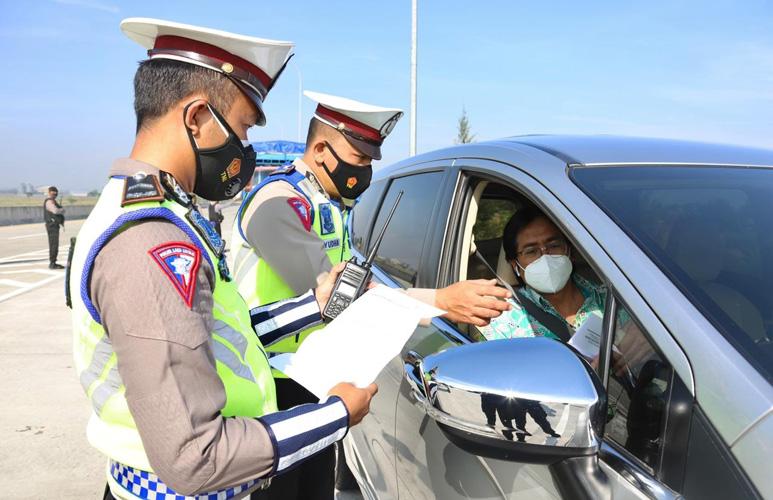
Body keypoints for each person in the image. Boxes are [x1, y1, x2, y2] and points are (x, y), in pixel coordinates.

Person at [68, 18, 378, 499]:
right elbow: (196, 457)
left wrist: (314, 305)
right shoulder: (150, 241)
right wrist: (336, 414)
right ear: (195, 117)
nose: (245, 149)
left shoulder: (167, 211)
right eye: (241, 128)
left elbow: (214, 334)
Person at [232, 91, 512, 500]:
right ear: (323, 150)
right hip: (272, 385)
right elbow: (342, 299)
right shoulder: (279, 202)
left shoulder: (327, 203)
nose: (364, 171)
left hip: (313, 375)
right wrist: (443, 301)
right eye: (359, 159)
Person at [480, 205, 606, 343]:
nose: (545, 257)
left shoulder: (610, 299)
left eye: (554, 245)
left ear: (569, 250)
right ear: (515, 265)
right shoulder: (503, 319)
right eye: (531, 251)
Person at [44, 186, 65, 269]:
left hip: (54, 226)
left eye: (56, 193)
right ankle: (52, 263)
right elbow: (55, 211)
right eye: (53, 193)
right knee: (53, 244)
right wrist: (62, 210)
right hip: (52, 226)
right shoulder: (49, 202)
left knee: (54, 244)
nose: (55, 195)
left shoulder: (53, 201)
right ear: (49, 193)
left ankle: (53, 262)